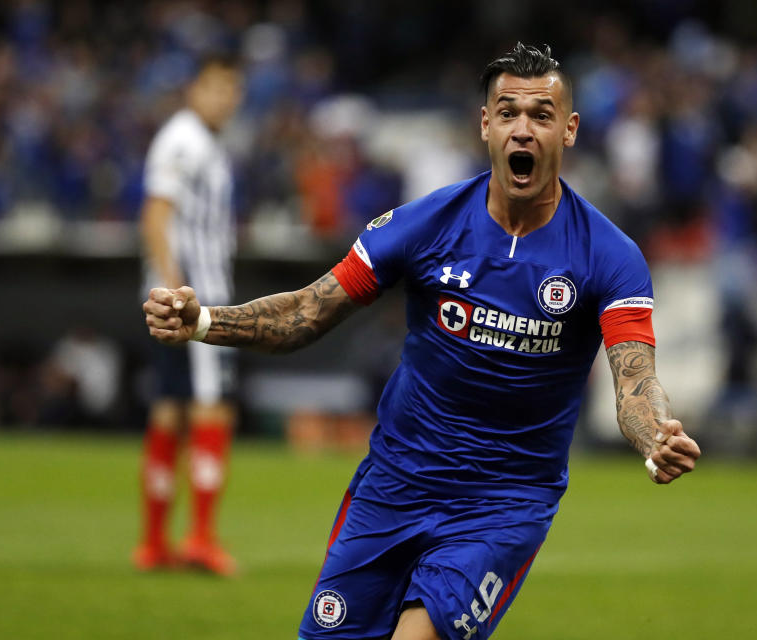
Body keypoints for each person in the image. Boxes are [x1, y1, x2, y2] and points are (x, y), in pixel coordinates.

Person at [143, 43, 700, 639]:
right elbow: (307, 311)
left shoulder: (609, 256)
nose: (523, 129)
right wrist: (205, 322)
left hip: (502, 504)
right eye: (508, 112)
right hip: (395, 484)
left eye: (541, 116)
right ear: (486, 124)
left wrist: (654, 436)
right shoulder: (425, 224)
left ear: (569, 130)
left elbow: (635, 378)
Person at [134, 54, 244, 575]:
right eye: (216, 88)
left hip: (188, 297)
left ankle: (155, 543)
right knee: (211, 408)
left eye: (232, 90)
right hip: (196, 303)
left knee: (170, 409)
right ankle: (199, 537)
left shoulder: (203, 142)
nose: (226, 100)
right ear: (193, 90)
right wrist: (178, 294)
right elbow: (156, 216)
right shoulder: (185, 140)